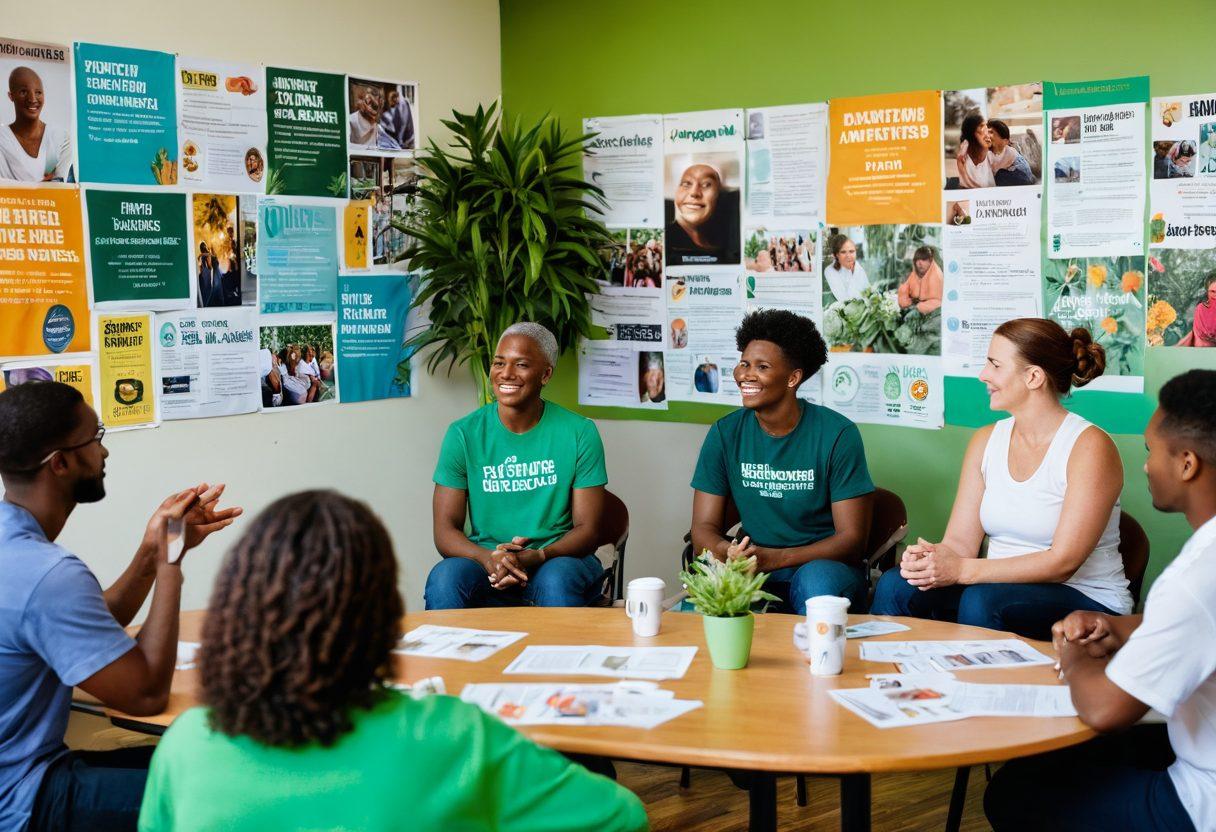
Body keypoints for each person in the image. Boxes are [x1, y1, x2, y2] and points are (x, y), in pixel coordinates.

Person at [138, 490, 647, 832]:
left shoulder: (186, 746)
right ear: (383, 618)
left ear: (238, 608)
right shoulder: (455, 737)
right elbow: (622, 816)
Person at [0, 381, 239, 832]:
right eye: (96, 438)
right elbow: (145, 695)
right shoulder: (47, 573)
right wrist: (171, 558)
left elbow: (91, 626)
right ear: (62, 462)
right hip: (23, 799)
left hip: (26, 773)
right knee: (228, 787)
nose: (105, 453)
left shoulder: (13, 545)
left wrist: (152, 551)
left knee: (201, 756)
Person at [985, 369, 1216, 832]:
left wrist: (1074, 658)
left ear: (1187, 464)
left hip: (1199, 801)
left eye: (1152, 451)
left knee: (1012, 793)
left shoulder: (1198, 575)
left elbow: (1106, 711)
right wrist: (1122, 627)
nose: (1146, 465)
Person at [870, 319, 1131, 639]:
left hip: (1084, 596)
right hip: (993, 587)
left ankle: (974, 688)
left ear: (1034, 377)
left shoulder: (1090, 447)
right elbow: (960, 544)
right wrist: (932, 561)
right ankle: (889, 684)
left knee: (984, 601)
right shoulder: (985, 440)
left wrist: (963, 570)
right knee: (898, 585)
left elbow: (1063, 562)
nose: (983, 375)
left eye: (994, 364)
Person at [690, 309, 875, 613]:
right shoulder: (725, 433)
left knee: (816, 583)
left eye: (762, 367)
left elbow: (852, 540)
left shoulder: (838, 434)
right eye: (744, 364)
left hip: (823, 567)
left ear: (793, 378)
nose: (746, 375)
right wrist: (729, 551)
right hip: (752, 565)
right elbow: (702, 530)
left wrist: (776, 558)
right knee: (706, 595)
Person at [424, 323, 609, 609]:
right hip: (487, 561)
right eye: (499, 363)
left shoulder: (579, 432)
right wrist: (488, 558)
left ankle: (559, 655)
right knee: (445, 579)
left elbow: (589, 530)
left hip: (557, 559)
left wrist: (538, 556)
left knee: (556, 581)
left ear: (545, 374)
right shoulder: (463, 434)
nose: (506, 373)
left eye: (521, 364)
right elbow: (445, 530)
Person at [0, 66, 72, 182]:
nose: (33, 99)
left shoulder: (60, 138)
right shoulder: (2, 139)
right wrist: (44, 184)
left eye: (38, 92)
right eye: (23, 92)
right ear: (11, 96)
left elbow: (61, 187)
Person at [665, 162, 741, 266]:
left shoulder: (727, 244)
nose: (694, 193)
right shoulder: (665, 241)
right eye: (686, 184)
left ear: (719, 196)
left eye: (706, 185)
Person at [987, 120, 1036, 186]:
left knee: (999, 176)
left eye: (991, 132)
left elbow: (994, 170)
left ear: (1004, 140)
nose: (988, 136)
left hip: (1023, 176)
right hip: (1021, 176)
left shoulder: (1009, 151)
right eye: (987, 132)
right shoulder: (990, 152)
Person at [897, 246, 944, 314]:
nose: (920, 263)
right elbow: (904, 291)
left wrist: (918, 307)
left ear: (930, 261)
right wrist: (905, 302)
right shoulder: (914, 274)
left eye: (923, 259)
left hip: (929, 311)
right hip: (914, 306)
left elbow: (939, 302)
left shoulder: (936, 275)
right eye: (917, 260)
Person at [823, 234, 869, 302]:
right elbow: (844, 299)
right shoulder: (830, 271)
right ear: (836, 255)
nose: (848, 256)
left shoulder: (857, 267)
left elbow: (868, 290)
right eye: (843, 252)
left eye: (851, 251)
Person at [955, 113, 995, 189]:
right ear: (972, 132)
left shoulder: (991, 153)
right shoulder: (964, 154)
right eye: (981, 126)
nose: (986, 131)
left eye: (986, 126)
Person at [1179, 273, 1216, 347]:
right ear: (1207, 292)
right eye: (1212, 291)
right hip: (1204, 348)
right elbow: (1201, 334)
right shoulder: (1201, 309)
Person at [379, 86, 415, 151]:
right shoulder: (386, 115)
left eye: (395, 97)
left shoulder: (401, 109)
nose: (394, 99)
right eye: (392, 98)